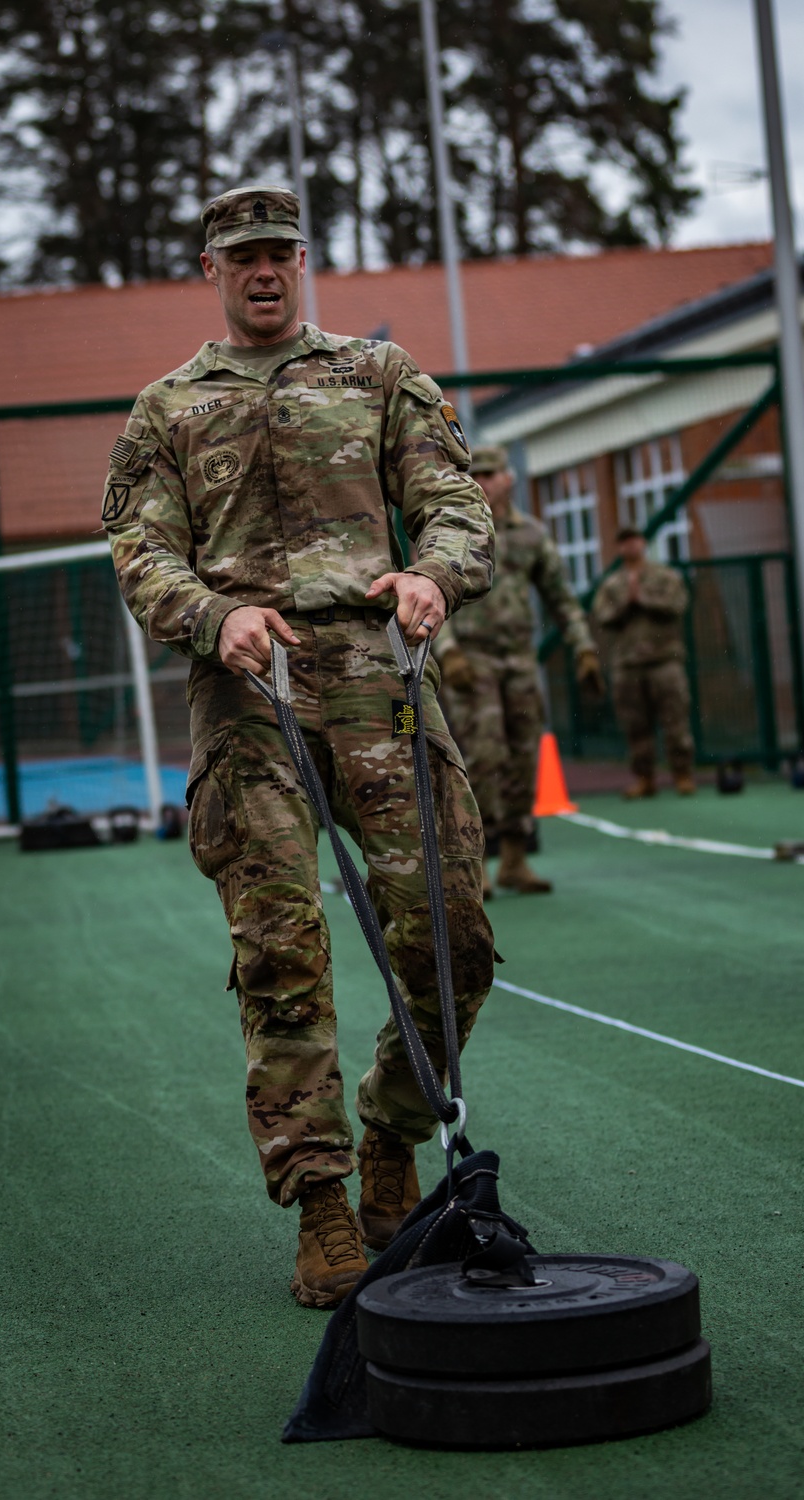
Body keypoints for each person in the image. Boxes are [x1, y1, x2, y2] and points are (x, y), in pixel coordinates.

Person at [102, 185, 496, 1310]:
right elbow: (138, 549)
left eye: (278, 252)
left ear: (303, 260)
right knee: (280, 944)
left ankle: (391, 1130)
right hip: (245, 685)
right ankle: (322, 1204)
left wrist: (433, 573)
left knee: (452, 930)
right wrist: (211, 614)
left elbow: (455, 502)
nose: (263, 271)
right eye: (242, 257)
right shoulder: (166, 408)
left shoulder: (379, 377)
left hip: (377, 679)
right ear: (212, 270)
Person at [435, 445, 605, 897]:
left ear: (509, 479)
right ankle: (479, 863)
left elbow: (560, 596)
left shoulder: (531, 534)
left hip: (519, 657)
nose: (487, 482)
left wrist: (583, 647)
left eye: (494, 474)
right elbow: (429, 594)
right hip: (474, 658)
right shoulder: (453, 532)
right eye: (479, 474)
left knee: (524, 754)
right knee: (482, 756)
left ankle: (515, 857)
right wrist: (447, 652)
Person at [591, 525, 696, 798]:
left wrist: (644, 598)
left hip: (664, 659)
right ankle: (644, 777)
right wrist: (627, 602)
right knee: (635, 725)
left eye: (634, 540)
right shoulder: (612, 584)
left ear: (643, 543)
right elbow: (602, 615)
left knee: (676, 721)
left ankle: (682, 774)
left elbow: (678, 604)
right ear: (619, 547)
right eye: (624, 541)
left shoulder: (664, 576)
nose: (630, 546)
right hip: (629, 664)